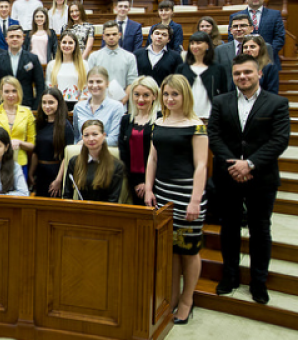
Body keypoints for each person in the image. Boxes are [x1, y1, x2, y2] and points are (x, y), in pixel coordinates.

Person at [209, 54, 290, 305]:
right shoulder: (221, 101)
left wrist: (250, 164)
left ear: (259, 74)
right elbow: (214, 135)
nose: (242, 77)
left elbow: (279, 140)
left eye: (247, 72)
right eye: (237, 73)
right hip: (228, 175)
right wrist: (234, 165)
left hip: (261, 177)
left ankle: (258, 282)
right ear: (232, 76)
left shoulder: (277, 103)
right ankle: (230, 276)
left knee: (260, 230)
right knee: (230, 228)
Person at [144, 74, 208, 324]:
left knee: (188, 251)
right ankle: (171, 295)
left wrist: (195, 200)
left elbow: (201, 166)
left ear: (185, 96)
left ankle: (186, 299)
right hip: (163, 192)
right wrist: (149, 189)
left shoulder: (196, 125)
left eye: (175, 94)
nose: (170, 99)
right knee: (170, 249)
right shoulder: (159, 122)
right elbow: (153, 159)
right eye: (166, 94)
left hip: (188, 193)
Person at [118, 76, 160, 205]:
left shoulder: (161, 120)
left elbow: (160, 155)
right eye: (136, 94)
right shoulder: (126, 120)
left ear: (154, 96)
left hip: (156, 181)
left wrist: (147, 184)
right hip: (132, 180)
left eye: (146, 95)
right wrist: (136, 182)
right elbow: (123, 153)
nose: (140, 99)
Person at [0, 76, 35, 177]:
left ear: (18, 92)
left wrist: (20, 143)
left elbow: (32, 145)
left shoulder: (27, 112)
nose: (10, 95)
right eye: (7, 91)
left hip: (19, 163)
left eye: (14, 91)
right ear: (1, 93)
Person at [63, 120, 125, 203]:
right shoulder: (74, 162)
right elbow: (67, 195)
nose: (91, 139)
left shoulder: (117, 165)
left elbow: (113, 199)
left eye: (95, 134)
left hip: (104, 212)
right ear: (82, 138)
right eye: (86, 135)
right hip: (79, 211)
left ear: (103, 136)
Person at [0, 25, 44, 110]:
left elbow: (40, 85)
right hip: (3, 105)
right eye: (11, 36)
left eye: (18, 36)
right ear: (6, 40)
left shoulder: (33, 59)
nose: (15, 39)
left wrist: (35, 107)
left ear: (23, 39)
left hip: (26, 105)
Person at [29, 88, 74, 197]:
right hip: (40, 173)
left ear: (59, 103)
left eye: (51, 102)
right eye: (44, 102)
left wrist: (59, 180)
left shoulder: (65, 126)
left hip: (56, 173)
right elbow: (36, 152)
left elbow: (67, 156)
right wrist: (31, 173)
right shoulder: (39, 124)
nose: (47, 106)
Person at [229, 0, 285, 65]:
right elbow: (232, 38)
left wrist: (264, 53)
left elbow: (279, 38)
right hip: (243, 61)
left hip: (269, 61)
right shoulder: (235, 16)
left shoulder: (275, 15)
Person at [177, 31, 228, 119]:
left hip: (210, 116)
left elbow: (224, 93)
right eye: (192, 43)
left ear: (207, 45)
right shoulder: (181, 68)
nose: (194, 46)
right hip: (186, 117)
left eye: (198, 43)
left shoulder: (218, 69)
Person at [87, 20, 138, 104]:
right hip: (99, 103)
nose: (111, 37)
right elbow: (88, 81)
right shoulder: (94, 57)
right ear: (103, 37)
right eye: (108, 35)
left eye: (114, 34)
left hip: (122, 103)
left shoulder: (129, 57)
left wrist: (123, 101)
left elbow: (132, 82)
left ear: (119, 35)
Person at [215, 14, 274, 85]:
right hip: (229, 93)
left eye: (243, 26)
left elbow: (270, 76)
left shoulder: (265, 47)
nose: (239, 29)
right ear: (231, 30)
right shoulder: (220, 50)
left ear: (252, 28)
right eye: (235, 26)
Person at [72, 66, 123, 146]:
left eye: (99, 82)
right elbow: (77, 137)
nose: (94, 85)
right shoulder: (78, 107)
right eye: (91, 82)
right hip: (82, 154)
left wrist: (85, 142)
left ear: (107, 83)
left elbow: (114, 140)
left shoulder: (117, 107)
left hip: (106, 154)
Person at [45, 31, 89, 109]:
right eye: (64, 42)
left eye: (70, 43)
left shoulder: (84, 64)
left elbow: (87, 87)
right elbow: (49, 86)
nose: (67, 45)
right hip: (58, 105)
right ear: (60, 44)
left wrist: (79, 105)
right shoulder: (52, 65)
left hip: (79, 104)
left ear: (75, 45)